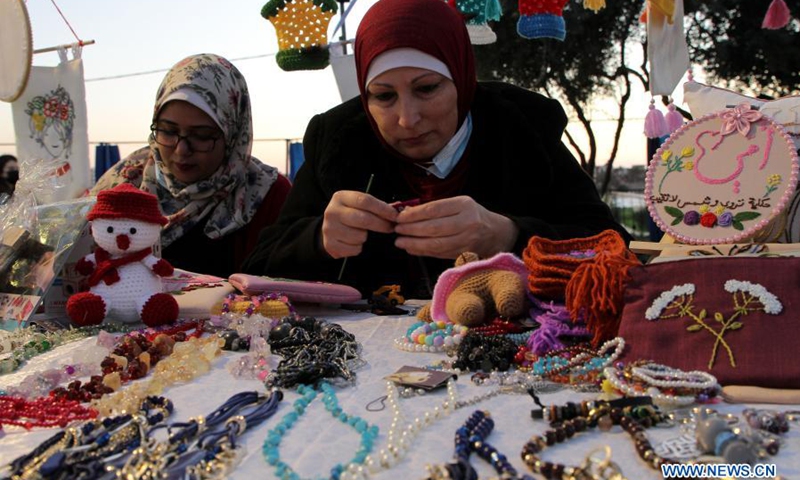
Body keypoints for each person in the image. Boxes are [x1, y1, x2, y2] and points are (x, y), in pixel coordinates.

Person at [241, 0, 631, 298]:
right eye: (383, 96)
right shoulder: (339, 141)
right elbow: (259, 265)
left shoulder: (522, 129)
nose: (407, 119)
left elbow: (612, 249)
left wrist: (509, 235)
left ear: (460, 79)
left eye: (427, 88)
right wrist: (319, 240)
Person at [93, 54, 291, 277]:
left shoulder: (268, 196)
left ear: (232, 136)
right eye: (168, 131)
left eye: (202, 136)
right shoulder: (124, 183)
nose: (181, 150)